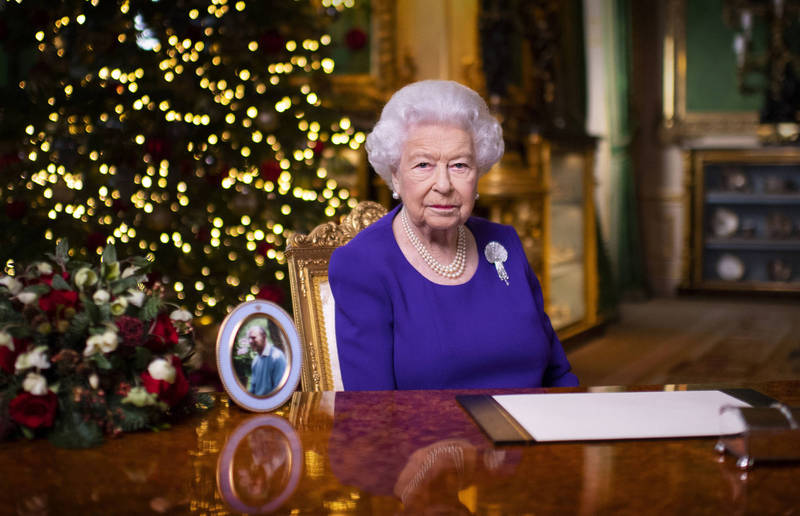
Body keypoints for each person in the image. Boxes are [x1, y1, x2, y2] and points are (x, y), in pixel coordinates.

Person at [328, 80, 578, 390]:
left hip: (533, 432)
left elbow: (558, 374)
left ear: (478, 174)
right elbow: (372, 413)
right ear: (396, 174)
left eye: (459, 165)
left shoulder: (505, 243)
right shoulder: (362, 264)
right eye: (423, 164)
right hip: (430, 439)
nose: (444, 184)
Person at [247, 325, 287, 396]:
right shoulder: (255, 361)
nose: (250, 341)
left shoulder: (277, 357)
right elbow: (253, 388)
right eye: (249, 338)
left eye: (253, 338)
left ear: (264, 337)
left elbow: (280, 390)